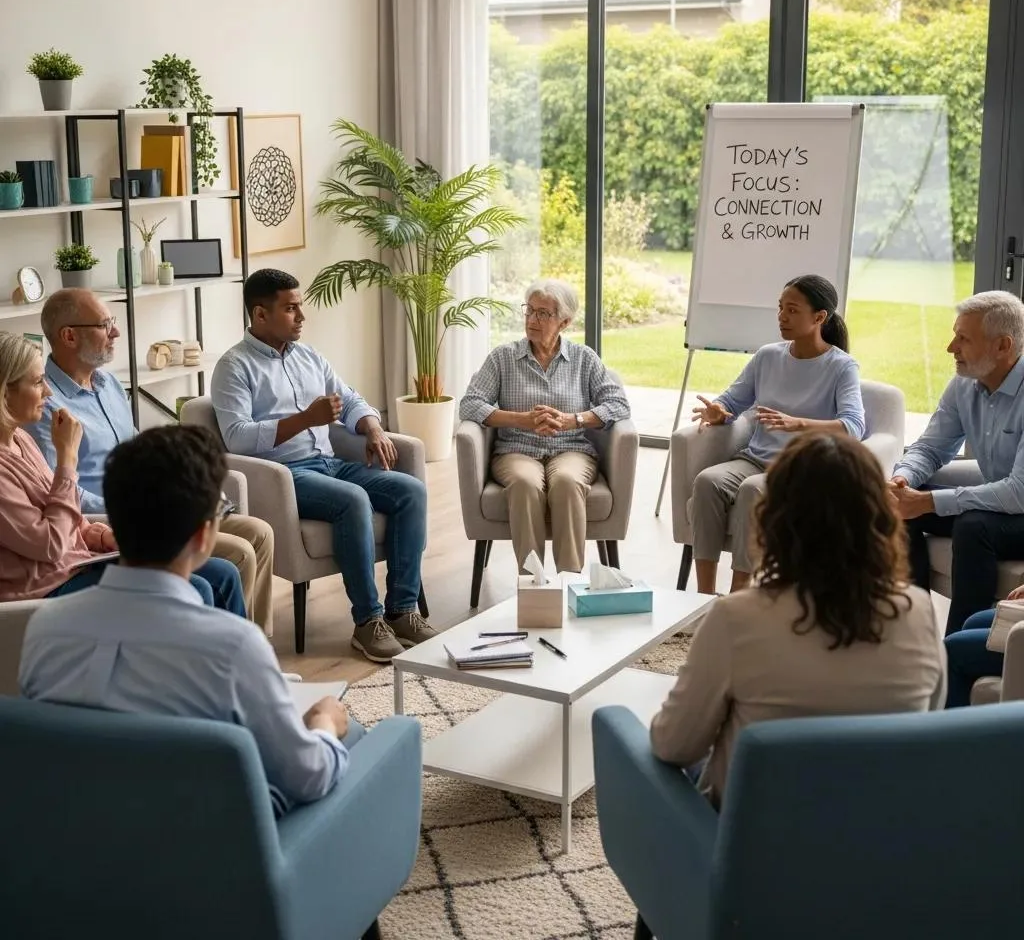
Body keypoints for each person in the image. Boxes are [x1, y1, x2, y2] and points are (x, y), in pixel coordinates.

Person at [19, 425, 360, 816]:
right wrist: (325, 724)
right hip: (208, 859)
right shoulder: (232, 648)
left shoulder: (44, 630)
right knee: (348, 738)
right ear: (203, 535)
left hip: (78, 848)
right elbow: (307, 775)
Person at [650, 431, 946, 809]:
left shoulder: (735, 618)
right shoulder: (920, 611)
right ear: (879, 519)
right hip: (876, 835)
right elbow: (927, 725)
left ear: (774, 519)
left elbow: (673, 744)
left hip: (752, 845)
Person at [210, 268, 433, 664]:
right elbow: (237, 437)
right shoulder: (234, 367)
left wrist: (373, 428)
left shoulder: (309, 356)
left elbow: (347, 400)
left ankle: (403, 610)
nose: (301, 316)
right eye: (290, 308)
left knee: (410, 491)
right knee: (353, 500)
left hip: (330, 462)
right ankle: (368, 621)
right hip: (284, 475)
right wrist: (304, 420)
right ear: (260, 315)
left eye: (300, 306)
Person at [23, 288, 275, 634]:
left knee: (260, 533)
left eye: (112, 322)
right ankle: (224, 650)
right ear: (69, 336)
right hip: (120, 519)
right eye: (104, 324)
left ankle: (255, 646)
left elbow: (142, 453)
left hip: (155, 506)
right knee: (239, 554)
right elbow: (58, 492)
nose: (116, 332)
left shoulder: (109, 383)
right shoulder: (45, 408)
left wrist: (185, 487)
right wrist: (143, 507)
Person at [0, 332, 244, 615]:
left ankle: (243, 655)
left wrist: (103, 537)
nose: (48, 392)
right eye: (38, 382)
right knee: (197, 587)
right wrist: (67, 458)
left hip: (79, 562)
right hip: (46, 589)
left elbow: (63, 514)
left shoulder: (20, 440)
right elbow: (52, 544)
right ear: (5, 392)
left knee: (223, 574)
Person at [689, 274, 865, 595]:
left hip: (801, 468)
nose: (782, 317)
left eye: (793, 310)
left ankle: (738, 596)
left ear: (819, 317)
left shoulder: (842, 367)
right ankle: (702, 597)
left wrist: (797, 423)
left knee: (751, 491)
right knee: (706, 482)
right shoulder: (768, 355)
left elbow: (853, 426)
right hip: (756, 458)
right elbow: (732, 400)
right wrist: (718, 411)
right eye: (780, 308)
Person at [460, 279, 631, 574]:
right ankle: (533, 585)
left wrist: (573, 420)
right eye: (530, 311)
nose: (532, 320)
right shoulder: (502, 358)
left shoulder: (584, 359)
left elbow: (618, 405)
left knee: (567, 482)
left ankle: (569, 582)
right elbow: (470, 404)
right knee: (525, 484)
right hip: (516, 450)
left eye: (543, 314)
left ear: (564, 322)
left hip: (572, 450)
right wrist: (519, 419)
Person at [889, 290, 1024, 636]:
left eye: (963, 338)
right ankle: (912, 635)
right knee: (898, 506)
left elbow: (1018, 494)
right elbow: (931, 448)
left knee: (973, 526)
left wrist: (929, 502)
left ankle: (960, 645)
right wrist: (902, 482)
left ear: (1002, 346)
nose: (951, 347)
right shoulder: (964, 385)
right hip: (1002, 502)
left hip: (1019, 507)